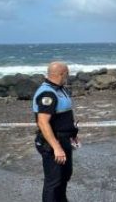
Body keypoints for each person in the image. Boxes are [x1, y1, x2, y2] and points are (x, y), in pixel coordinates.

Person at [33, 61, 79, 202]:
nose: (68, 76)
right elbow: (43, 122)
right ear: (62, 73)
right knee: (53, 181)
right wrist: (56, 147)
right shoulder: (48, 93)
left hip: (65, 140)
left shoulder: (60, 89)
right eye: (67, 73)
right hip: (53, 143)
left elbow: (64, 116)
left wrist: (73, 134)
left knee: (65, 175)